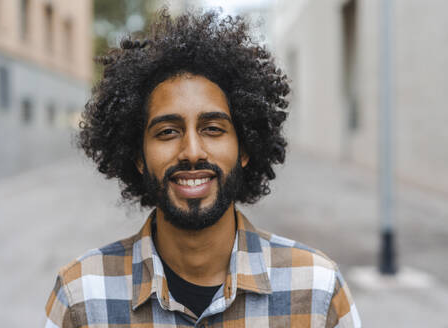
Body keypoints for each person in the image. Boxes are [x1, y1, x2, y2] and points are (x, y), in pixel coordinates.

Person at [45, 9, 361, 328]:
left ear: (244, 149)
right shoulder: (81, 298)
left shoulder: (317, 292)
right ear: (138, 156)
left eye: (212, 128)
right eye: (167, 131)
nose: (192, 152)